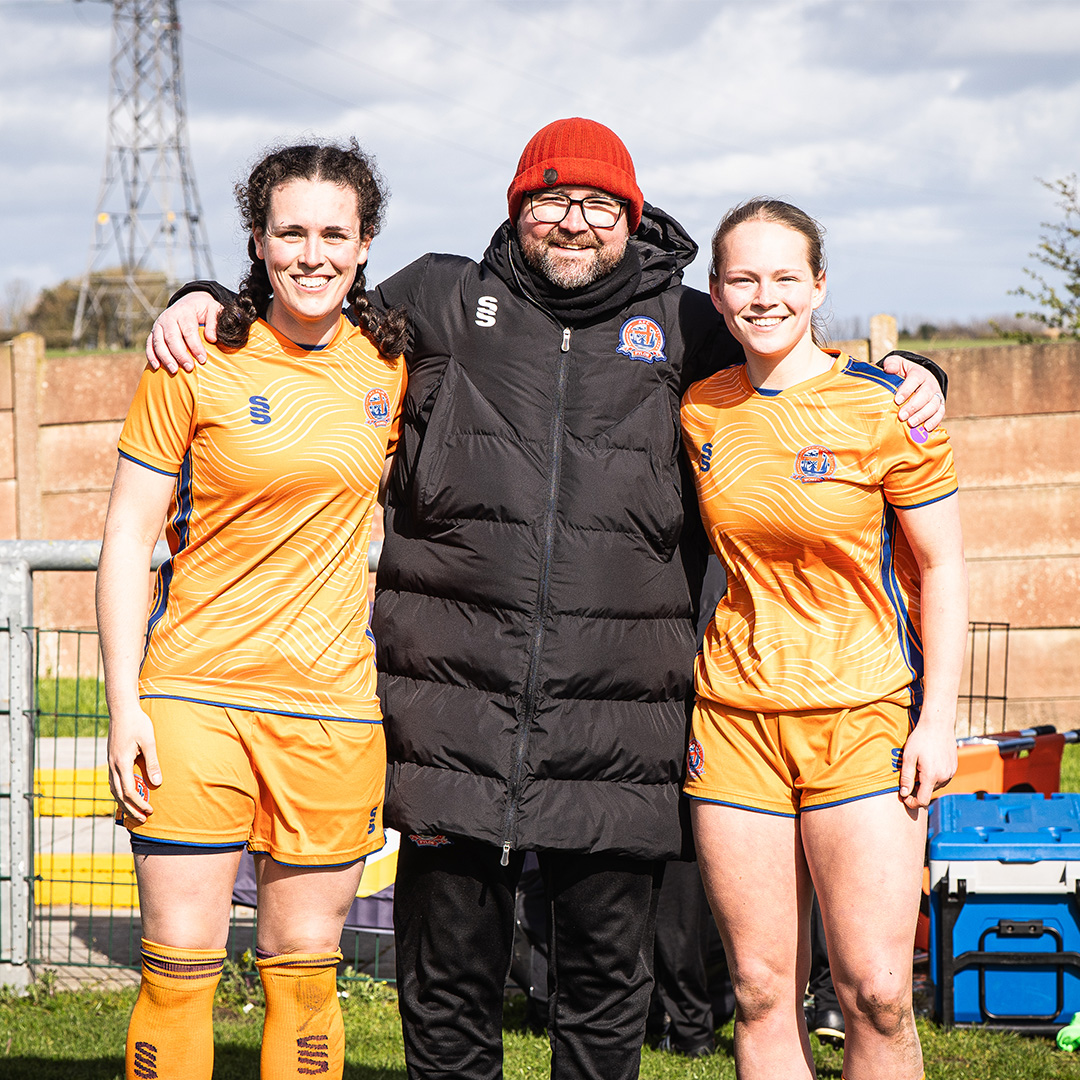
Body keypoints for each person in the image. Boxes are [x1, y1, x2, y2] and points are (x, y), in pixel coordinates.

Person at [144, 119, 948, 1080]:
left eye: (598, 204)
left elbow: (792, 367)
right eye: (550, 202)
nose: (574, 222)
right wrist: (196, 297)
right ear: (517, 210)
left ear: (632, 216)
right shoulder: (441, 300)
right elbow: (312, 305)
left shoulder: (690, 326)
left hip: (618, 732)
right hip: (452, 722)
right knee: (446, 994)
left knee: (604, 1000)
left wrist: (915, 376)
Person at [97, 140, 407, 1080]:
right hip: (193, 698)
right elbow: (123, 539)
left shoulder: (394, 366)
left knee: (307, 978)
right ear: (260, 243)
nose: (313, 253)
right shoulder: (193, 359)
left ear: (363, 246)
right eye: (291, 232)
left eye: (333, 233)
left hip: (334, 712)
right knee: (177, 973)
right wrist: (123, 708)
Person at [681, 198, 967, 1080]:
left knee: (876, 992)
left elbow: (945, 570)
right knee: (763, 988)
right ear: (718, 296)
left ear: (818, 286)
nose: (764, 297)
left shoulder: (890, 407)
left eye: (783, 278)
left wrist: (939, 721)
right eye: (743, 279)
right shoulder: (699, 410)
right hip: (733, 725)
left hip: (865, 717)